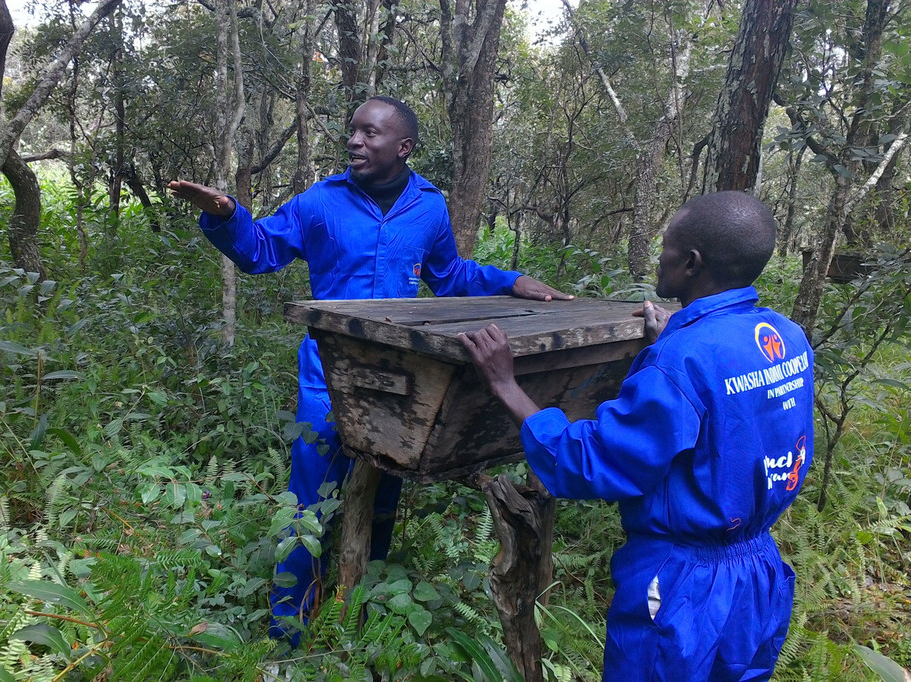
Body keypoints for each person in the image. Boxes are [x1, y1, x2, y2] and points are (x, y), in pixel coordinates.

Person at [169, 95, 570, 642]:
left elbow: (448, 274)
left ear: (402, 147)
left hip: (403, 380)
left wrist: (511, 280)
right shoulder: (322, 202)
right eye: (352, 132)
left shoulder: (429, 206)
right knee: (309, 503)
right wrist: (226, 215)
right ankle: (289, 631)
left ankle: (361, 615)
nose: (354, 141)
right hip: (328, 379)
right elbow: (261, 250)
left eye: (369, 133)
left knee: (382, 493)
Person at [459, 191, 814, 681]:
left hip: (682, 585)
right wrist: (673, 336)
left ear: (691, 263)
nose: (658, 255)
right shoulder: (786, 337)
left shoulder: (681, 362)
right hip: (758, 575)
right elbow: (727, 405)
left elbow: (590, 464)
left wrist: (505, 384)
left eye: (666, 247)